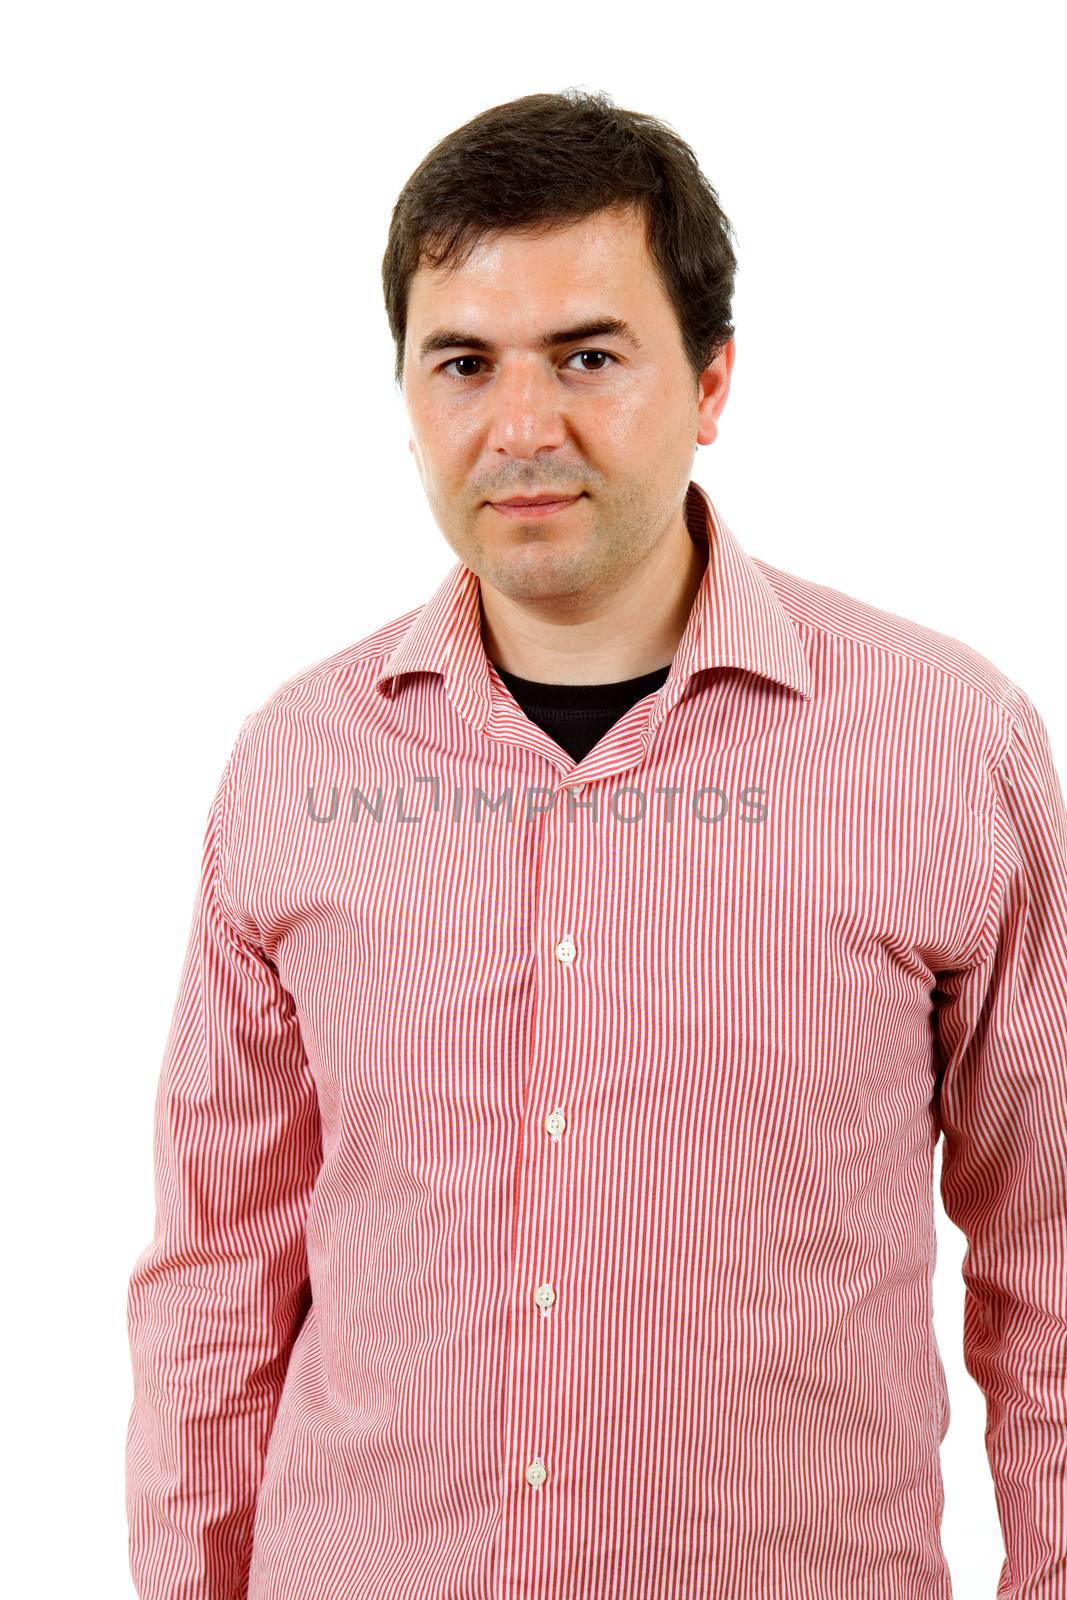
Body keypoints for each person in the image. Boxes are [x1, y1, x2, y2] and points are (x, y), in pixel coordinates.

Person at [125, 88, 1067, 1599]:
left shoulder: (950, 746)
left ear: (710, 383)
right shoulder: (298, 763)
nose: (521, 428)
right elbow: (218, 1275)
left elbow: (1052, 1256)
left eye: (586, 357)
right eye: (463, 364)